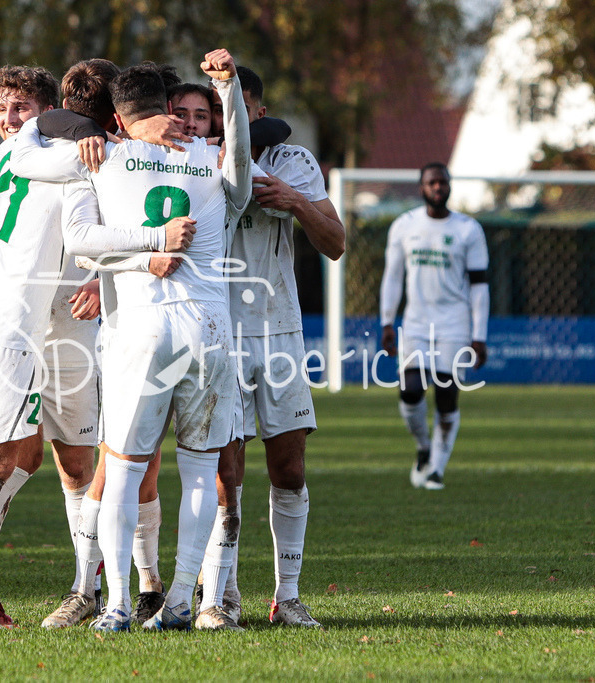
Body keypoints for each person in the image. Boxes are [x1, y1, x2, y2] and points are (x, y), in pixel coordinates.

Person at [0, 60, 190, 628]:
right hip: (10, 327)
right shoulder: (83, 160)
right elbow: (88, 236)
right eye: (3, 109)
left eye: (22, 108)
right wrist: (151, 234)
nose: (11, 119)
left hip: (42, 325)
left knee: (43, 455)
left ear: (50, 111)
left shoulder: (20, 151)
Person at [48, 49, 252, 632]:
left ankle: (114, 605)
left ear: (114, 115)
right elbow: (237, 151)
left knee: (125, 470)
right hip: (207, 331)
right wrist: (229, 90)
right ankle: (184, 600)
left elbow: (82, 242)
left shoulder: (102, 158)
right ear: (169, 110)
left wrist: (147, 243)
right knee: (199, 469)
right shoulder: (210, 160)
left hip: (141, 330)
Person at [197, 65, 345, 629]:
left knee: (289, 467)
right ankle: (222, 596)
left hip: (281, 330)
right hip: (219, 332)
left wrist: (296, 203)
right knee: (224, 471)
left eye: (237, 106)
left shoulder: (294, 162)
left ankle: (288, 596)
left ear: (256, 111)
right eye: (214, 110)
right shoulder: (192, 161)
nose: (224, 117)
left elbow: (335, 245)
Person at [379, 162, 490, 490]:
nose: (438, 187)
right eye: (432, 182)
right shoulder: (404, 226)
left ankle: (438, 469)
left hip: (455, 323)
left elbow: (480, 286)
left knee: (446, 394)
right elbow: (393, 277)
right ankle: (424, 448)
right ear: (422, 187)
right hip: (415, 323)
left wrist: (479, 335)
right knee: (410, 390)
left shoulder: (469, 229)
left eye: (442, 182)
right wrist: (387, 321)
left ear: (450, 186)